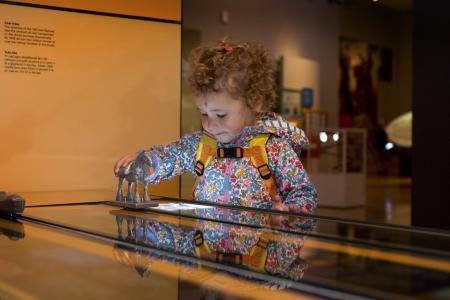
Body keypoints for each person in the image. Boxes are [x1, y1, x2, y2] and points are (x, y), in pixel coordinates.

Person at [114, 37, 318, 216]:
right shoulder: (202, 144)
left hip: (259, 254)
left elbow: (303, 193)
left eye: (221, 114)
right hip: (206, 252)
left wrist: (290, 211)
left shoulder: (275, 148)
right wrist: (146, 161)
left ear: (254, 102)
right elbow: (171, 155)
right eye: (203, 113)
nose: (210, 123)